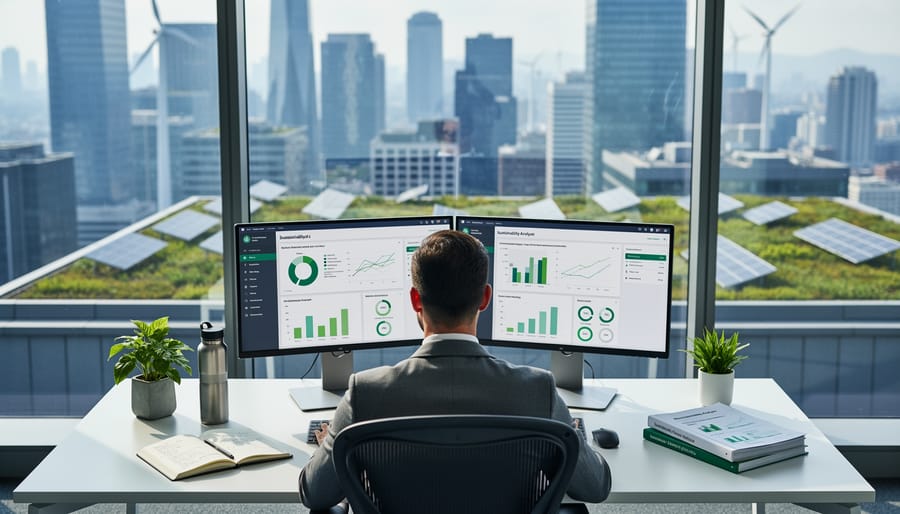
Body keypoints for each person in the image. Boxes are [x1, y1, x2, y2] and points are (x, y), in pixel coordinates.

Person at [298, 230, 612, 510]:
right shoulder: (538, 391)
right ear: (486, 298)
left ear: (415, 300)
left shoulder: (364, 393)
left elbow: (315, 494)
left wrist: (332, 443)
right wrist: (571, 434)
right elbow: (594, 487)